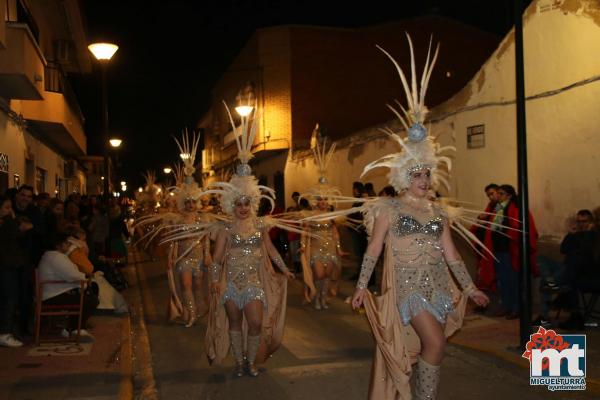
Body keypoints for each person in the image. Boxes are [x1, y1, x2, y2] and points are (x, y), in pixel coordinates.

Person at [349, 36, 489, 399]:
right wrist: (363, 285)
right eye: (416, 174)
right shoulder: (388, 209)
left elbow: (452, 253)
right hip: (408, 290)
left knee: (430, 349)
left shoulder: (439, 212)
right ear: (402, 177)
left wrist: (470, 287)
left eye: (427, 174)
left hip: (439, 288)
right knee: (437, 343)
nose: (424, 181)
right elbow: (374, 249)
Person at [164, 104, 295, 378]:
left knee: (256, 322)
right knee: (235, 322)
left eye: (247, 203)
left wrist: (284, 268)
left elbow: (270, 250)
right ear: (231, 204)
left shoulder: (260, 226)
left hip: (253, 283)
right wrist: (214, 280)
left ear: (253, 203)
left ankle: (252, 360)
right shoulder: (224, 229)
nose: (243, 208)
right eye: (239, 204)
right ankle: (239, 362)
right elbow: (218, 257)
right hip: (230, 284)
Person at [299, 128, 346, 310]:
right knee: (318, 274)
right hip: (316, 248)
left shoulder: (333, 216)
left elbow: (334, 231)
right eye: (320, 199)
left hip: (330, 247)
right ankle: (316, 295)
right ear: (315, 200)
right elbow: (305, 231)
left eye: (326, 199)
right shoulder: (309, 215)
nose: (324, 202)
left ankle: (323, 297)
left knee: (327, 274)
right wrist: (303, 246)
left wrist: (339, 249)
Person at [491, 184, 538, 319]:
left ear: (509, 195)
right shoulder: (497, 208)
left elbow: (519, 227)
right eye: (498, 193)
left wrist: (508, 233)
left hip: (511, 250)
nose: (498, 196)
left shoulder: (515, 207)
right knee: (502, 280)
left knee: (514, 280)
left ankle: (517, 307)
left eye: (501, 193)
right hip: (498, 248)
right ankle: (506, 305)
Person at [38, 234, 99, 337]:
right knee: (90, 300)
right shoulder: (56, 257)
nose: (68, 245)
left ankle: (74, 326)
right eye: (67, 243)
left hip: (53, 292)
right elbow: (72, 275)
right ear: (59, 245)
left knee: (88, 293)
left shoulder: (51, 256)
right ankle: (76, 328)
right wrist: (84, 278)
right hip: (53, 295)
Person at [0, 195, 32, 347]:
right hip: (6, 265)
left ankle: (7, 331)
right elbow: (12, 236)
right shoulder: (6, 224)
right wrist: (13, 221)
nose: (9, 211)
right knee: (10, 298)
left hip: (10, 265)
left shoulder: (7, 222)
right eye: (6, 207)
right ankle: (5, 332)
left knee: (10, 298)